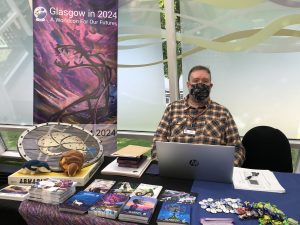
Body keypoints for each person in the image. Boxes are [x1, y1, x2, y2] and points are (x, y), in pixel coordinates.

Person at [151, 65, 245, 167]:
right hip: (176, 170)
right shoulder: (172, 109)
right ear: (188, 84)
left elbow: (238, 149)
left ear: (210, 85)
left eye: (205, 81)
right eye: (195, 81)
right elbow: (158, 143)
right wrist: (161, 163)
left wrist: (227, 168)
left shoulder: (223, 113)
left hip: (212, 172)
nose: (200, 84)